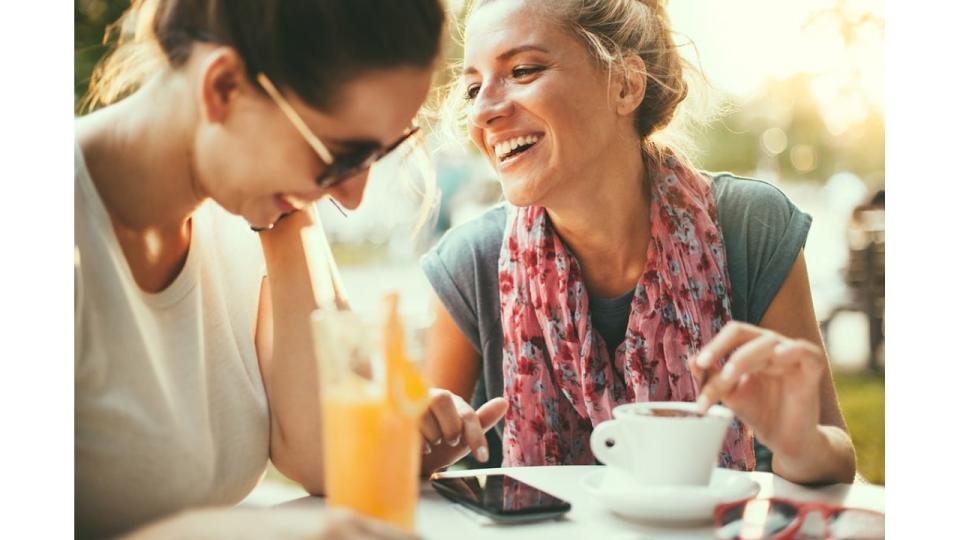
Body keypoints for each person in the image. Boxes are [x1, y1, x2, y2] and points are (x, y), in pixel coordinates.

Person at [416, 0, 857, 485]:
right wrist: (419, 448)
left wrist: (800, 442)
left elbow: (832, 459)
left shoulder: (749, 227)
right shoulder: (471, 263)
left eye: (521, 71)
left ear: (625, 85)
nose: (483, 111)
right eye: (474, 88)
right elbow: (405, 471)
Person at [75, 0, 444, 537]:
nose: (353, 197)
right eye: (342, 156)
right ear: (223, 88)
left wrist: (292, 203)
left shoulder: (251, 207)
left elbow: (325, 457)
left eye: (378, 156)